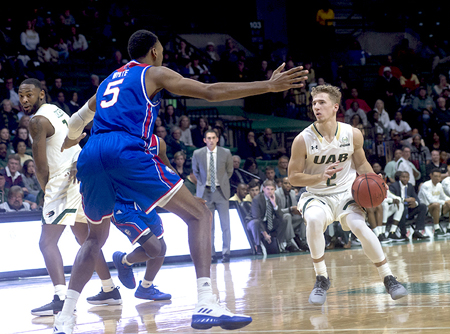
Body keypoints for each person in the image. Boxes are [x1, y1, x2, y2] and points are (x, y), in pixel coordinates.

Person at [56, 29, 307, 332]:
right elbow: (210, 92)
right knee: (200, 213)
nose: (161, 54)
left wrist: (70, 141)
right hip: (124, 150)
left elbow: (75, 122)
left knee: (95, 239)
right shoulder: (153, 73)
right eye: (160, 49)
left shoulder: (109, 80)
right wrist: (267, 86)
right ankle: (205, 301)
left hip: (91, 153)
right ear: (153, 52)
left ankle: (66, 317)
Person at [288, 84, 407, 306]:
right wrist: (318, 177)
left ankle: (388, 277)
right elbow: (293, 177)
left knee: (361, 227)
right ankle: (322, 277)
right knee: (313, 221)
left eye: (321, 102)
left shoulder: (352, 134)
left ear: (335, 106)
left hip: (345, 194)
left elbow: (361, 163)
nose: (316, 107)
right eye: (314, 103)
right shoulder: (302, 139)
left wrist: (377, 182)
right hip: (317, 195)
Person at [18, 78, 121, 317]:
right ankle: (110, 289)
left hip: (64, 179)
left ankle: (61, 298)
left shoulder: (36, 121)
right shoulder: (55, 110)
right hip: (82, 173)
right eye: (21, 96)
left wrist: (46, 191)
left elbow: (40, 166)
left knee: (46, 242)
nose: (24, 100)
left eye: (29, 95)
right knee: (85, 238)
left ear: (41, 94)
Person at [111, 134, 172, 301]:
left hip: (146, 203)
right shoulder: (114, 142)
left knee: (162, 247)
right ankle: (124, 260)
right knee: (154, 248)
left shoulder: (158, 143)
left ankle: (145, 287)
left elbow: (167, 170)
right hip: (122, 206)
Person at [192, 129, 233, 263]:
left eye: (213, 138)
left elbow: (229, 171)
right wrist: (204, 184)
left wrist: (221, 183)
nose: (210, 140)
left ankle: (226, 253)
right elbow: (196, 172)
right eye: (208, 138)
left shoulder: (225, 153)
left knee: (225, 224)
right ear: (204, 140)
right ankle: (211, 254)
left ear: (217, 139)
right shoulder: (198, 153)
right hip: (205, 192)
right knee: (209, 226)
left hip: (221, 192)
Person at [246, 179, 288, 255]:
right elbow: (256, 217)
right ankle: (258, 246)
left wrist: (274, 204)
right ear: (263, 189)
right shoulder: (257, 199)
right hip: (253, 222)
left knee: (284, 220)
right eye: (268, 189)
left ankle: (279, 244)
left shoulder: (276, 198)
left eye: (272, 189)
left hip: (267, 222)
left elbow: (281, 216)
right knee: (256, 222)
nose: (270, 191)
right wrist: (265, 234)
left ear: (275, 189)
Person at [389, 171, 429, 240]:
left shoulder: (410, 186)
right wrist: (404, 200)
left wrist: (415, 203)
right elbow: (392, 199)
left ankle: (417, 231)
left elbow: (416, 198)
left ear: (409, 178)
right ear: (400, 177)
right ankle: (403, 234)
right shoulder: (393, 186)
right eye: (403, 177)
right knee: (402, 208)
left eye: (407, 177)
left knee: (423, 206)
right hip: (397, 210)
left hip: (409, 209)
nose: (405, 179)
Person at [418, 169, 450, 236]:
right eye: (435, 176)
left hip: (438, 206)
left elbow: (444, 196)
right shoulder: (426, 185)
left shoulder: (439, 185)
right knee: (436, 204)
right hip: (426, 209)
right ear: (431, 176)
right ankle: (436, 228)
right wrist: (445, 202)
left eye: (439, 176)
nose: (437, 178)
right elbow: (431, 200)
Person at [275, 176, 308, 251]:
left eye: (289, 184)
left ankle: (303, 241)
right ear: (281, 184)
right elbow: (277, 211)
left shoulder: (293, 193)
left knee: (304, 216)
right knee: (287, 216)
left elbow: (294, 208)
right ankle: (289, 243)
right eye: (285, 183)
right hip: (281, 221)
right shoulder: (277, 194)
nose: (287, 185)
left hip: (291, 219)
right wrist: (289, 209)